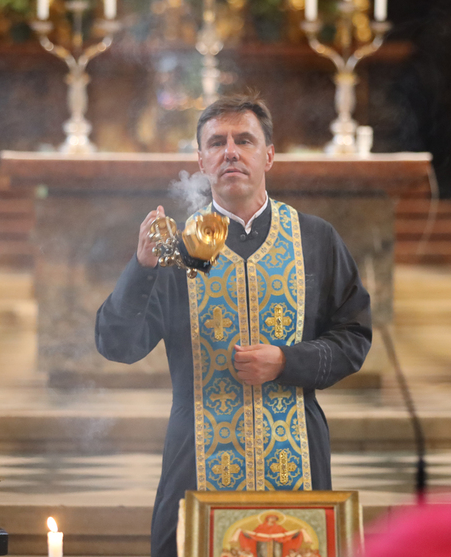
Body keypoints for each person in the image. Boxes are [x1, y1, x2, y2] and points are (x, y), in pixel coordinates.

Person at [95, 94, 372, 557]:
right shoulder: (176, 248)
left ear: (268, 155)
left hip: (295, 454)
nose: (230, 152)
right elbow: (117, 344)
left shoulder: (315, 239)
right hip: (197, 455)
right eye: (216, 143)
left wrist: (286, 360)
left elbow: (354, 336)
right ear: (201, 160)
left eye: (244, 140)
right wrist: (141, 268)